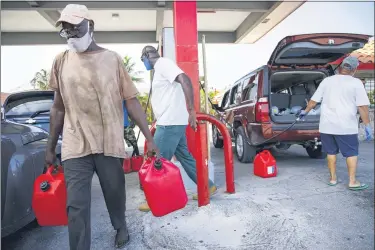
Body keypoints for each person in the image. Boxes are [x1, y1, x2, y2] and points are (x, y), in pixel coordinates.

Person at [44, 4, 158, 250]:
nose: (71, 36)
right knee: (76, 205)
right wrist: (50, 147)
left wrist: (149, 138)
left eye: (76, 29)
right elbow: (58, 107)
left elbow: (131, 101)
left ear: (90, 26)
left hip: (109, 141)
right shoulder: (61, 61)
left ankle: (120, 225)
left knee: (114, 194)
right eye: (65, 31)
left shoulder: (112, 59)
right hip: (76, 143)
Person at [138, 45, 217, 212]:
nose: (143, 63)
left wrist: (191, 111)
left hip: (170, 123)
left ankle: (155, 199)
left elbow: (184, 79)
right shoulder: (160, 69)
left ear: (146, 55)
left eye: (142, 60)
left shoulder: (162, 64)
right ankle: (207, 187)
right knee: (185, 157)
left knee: (156, 159)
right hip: (173, 122)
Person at [296, 56, 373, 191]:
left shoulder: (327, 81)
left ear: (342, 67)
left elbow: (313, 101)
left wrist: (304, 112)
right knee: (351, 153)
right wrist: (367, 126)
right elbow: (362, 107)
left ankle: (332, 179)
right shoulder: (356, 83)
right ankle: (352, 181)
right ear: (354, 69)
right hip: (346, 127)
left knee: (331, 152)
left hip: (327, 126)